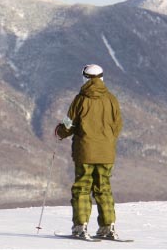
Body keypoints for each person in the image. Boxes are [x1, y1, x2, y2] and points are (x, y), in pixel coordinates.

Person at [55, 64, 123, 239]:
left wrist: (60, 132)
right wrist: (107, 141)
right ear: (101, 77)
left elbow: (69, 124)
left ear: (84, 77)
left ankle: (80, 226)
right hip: (106, 153)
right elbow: (118, 125)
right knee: (103, 188)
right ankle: (108, 227)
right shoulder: (111, 99)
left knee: (82, 188)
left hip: (85, 151)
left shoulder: (80, 99)